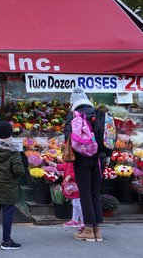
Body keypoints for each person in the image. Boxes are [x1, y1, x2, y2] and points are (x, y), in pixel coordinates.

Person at [64, 87, 104, 242]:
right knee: (95, 193)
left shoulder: (74, 114)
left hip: (83, 159)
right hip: (100, 159)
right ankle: (97, 231)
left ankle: (88, 230)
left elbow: (68, 137)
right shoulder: (99, 114)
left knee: (85, 193)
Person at [0, 121, 24, 250]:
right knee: (8, 213)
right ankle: (6, 242)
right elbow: (19, 171)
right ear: (10, 133)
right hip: (9, 186)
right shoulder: (13, 151)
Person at [57, 161, 84, 230]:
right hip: (72, 183)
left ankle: (83, 222)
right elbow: (66, 166)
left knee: (77, 203)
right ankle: (75, 220)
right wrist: (56, 165)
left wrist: (70, 176)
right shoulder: (70, 160)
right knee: (75, 202)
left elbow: (81, 171)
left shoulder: (75, 159)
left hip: (76, 183)